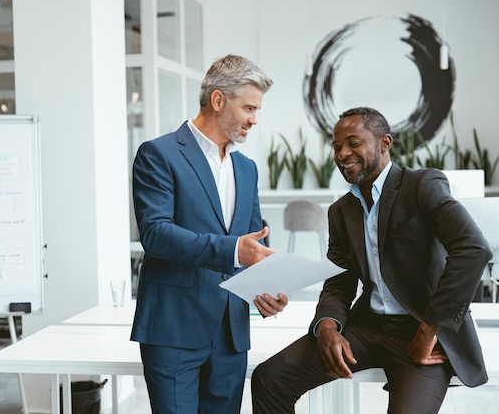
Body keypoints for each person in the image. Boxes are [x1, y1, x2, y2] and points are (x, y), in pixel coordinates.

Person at [251, 106, 493, 413]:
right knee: (270, 378)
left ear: (385, 143)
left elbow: (473, 249)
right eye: (337, 147)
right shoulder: (341, 210)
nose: (342, 153)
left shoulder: (422, 185)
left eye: (353, 143)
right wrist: (327, 328)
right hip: (367, 327)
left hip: (422, 334)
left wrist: (429, 329)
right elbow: (338, 281)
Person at [130, 54, 288, 414]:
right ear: (218, 101)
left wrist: (268, 290)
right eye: (249, 107)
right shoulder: (159, 154)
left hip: (231, 334)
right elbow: (155, 234)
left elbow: (253, 242)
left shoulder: (246, 169)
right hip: (174, 329)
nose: (254, 119)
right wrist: (234, 251)